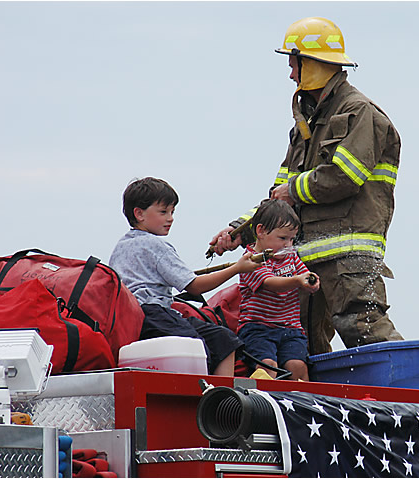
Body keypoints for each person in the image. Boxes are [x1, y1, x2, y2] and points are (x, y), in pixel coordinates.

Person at [210, 17, 403, 355]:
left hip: (348, 256)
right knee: (301, 347)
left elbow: (344, 177)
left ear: (311, 63)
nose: (290, 74)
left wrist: (294, 190)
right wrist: (240, 230)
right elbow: (278, 198)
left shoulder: (360, 113)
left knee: (364, 331)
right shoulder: (309, 124)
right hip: (303, 257)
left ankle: (415, 401)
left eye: (293, 64)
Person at [110, 177, 260, 376]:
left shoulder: (120, 246)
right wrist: (237, 268)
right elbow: (195, 286)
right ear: (139, 214)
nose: (170, 218)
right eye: (163, 212)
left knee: (223, 340)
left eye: (172, 212)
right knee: (199, 348)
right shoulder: (156, 245)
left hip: (135, 317)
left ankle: (219, 396)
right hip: (153, 314)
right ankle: (210, 401)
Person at [237, 199, 320, 380]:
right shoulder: (251, 260)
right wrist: (298, 280)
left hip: (291, 329)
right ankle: (263, 403)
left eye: (292, 239)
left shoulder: (291, 257)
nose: (288, 245)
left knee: (297, 367)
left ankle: (301, 404)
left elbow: (304, 275)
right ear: (260, 231)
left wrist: (311, 282)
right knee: (268, 366)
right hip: (258, 328)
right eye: (282, 238)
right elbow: (270, 283)